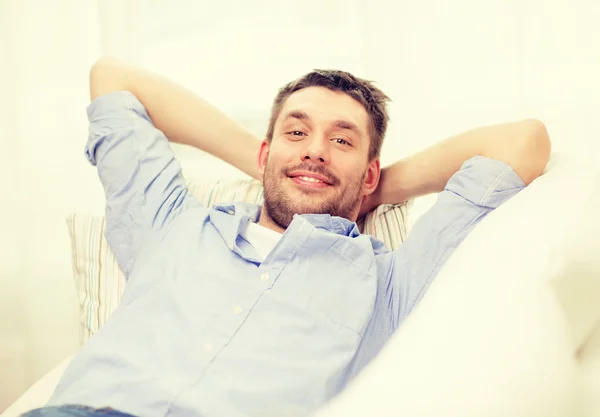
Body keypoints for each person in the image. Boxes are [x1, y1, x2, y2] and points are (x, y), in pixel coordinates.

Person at [24, 57, 551, 417]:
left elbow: (522, 142)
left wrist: (373, 189)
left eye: (342, 140)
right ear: (264, 152)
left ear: (369, 171)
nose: (316, 150)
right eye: (296, 132)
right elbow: (112, 78)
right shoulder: (171, 223)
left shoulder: (386, 282)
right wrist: (277, 164)